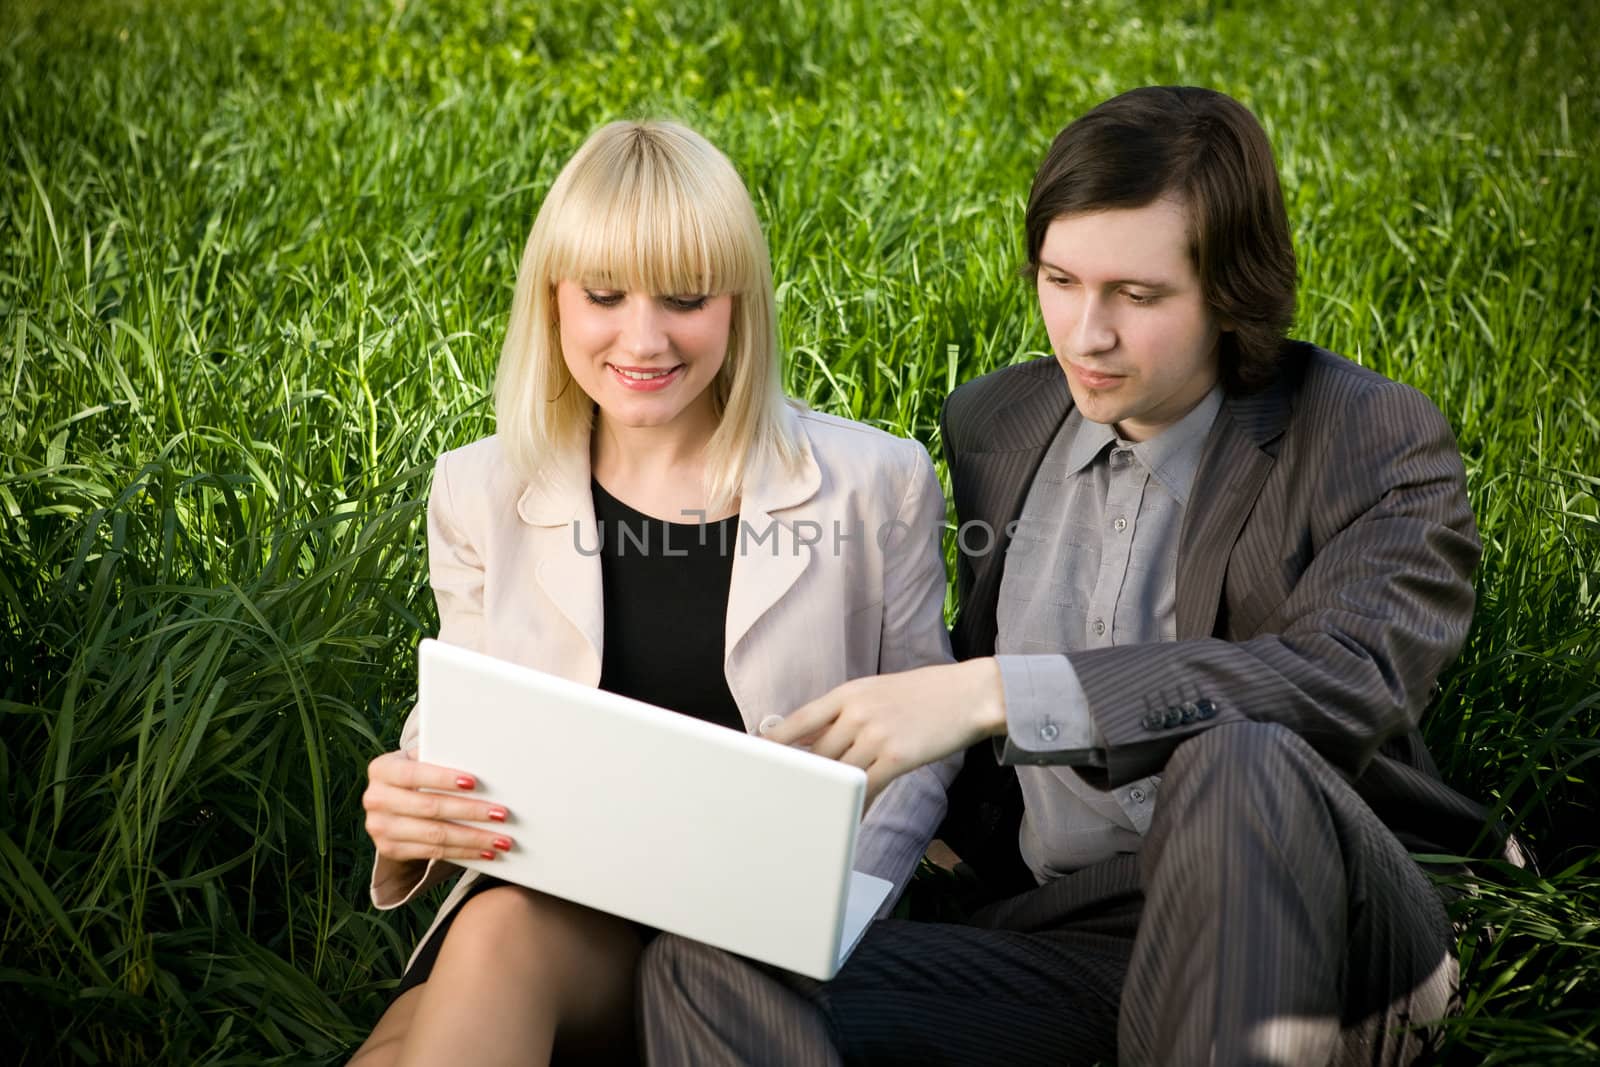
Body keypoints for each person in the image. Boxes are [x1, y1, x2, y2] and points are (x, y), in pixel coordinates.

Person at [639, 86, 1519, 1065]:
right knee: (705, 959)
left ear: (1234, 290)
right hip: (1067, 938)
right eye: (1060, 280)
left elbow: (1347, 678)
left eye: (1136, 297)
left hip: (1321, 923)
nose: (1084, 332)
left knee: (1240, 761)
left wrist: (999, 693)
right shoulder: (995, 424)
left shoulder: (1365, 434)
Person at [348, 119, 958, 1066]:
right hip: (561, 926)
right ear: (553, 300)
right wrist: (407, 812)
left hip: (769, 939)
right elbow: (459, 726)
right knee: (498, 934)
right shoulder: (481, 488)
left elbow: (925, 744)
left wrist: (829, 919)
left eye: (685, 298)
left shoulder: (875, 481)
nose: (644, 338)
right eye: (603, 295)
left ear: (739, 304)